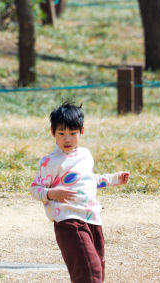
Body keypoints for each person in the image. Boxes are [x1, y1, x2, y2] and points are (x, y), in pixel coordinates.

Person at [30, 102, 130, 283]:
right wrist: (52, 193)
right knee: (88, 272)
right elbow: (35, 189)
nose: (67, 139)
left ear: (81, 132)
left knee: (98, 269)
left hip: (92, 218)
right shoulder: (50, 162)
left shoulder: (85, 155)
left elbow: (89, 180)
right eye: (61, 134)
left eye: (72, 134)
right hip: (69, 221)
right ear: (53, 133)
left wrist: (115, 179)